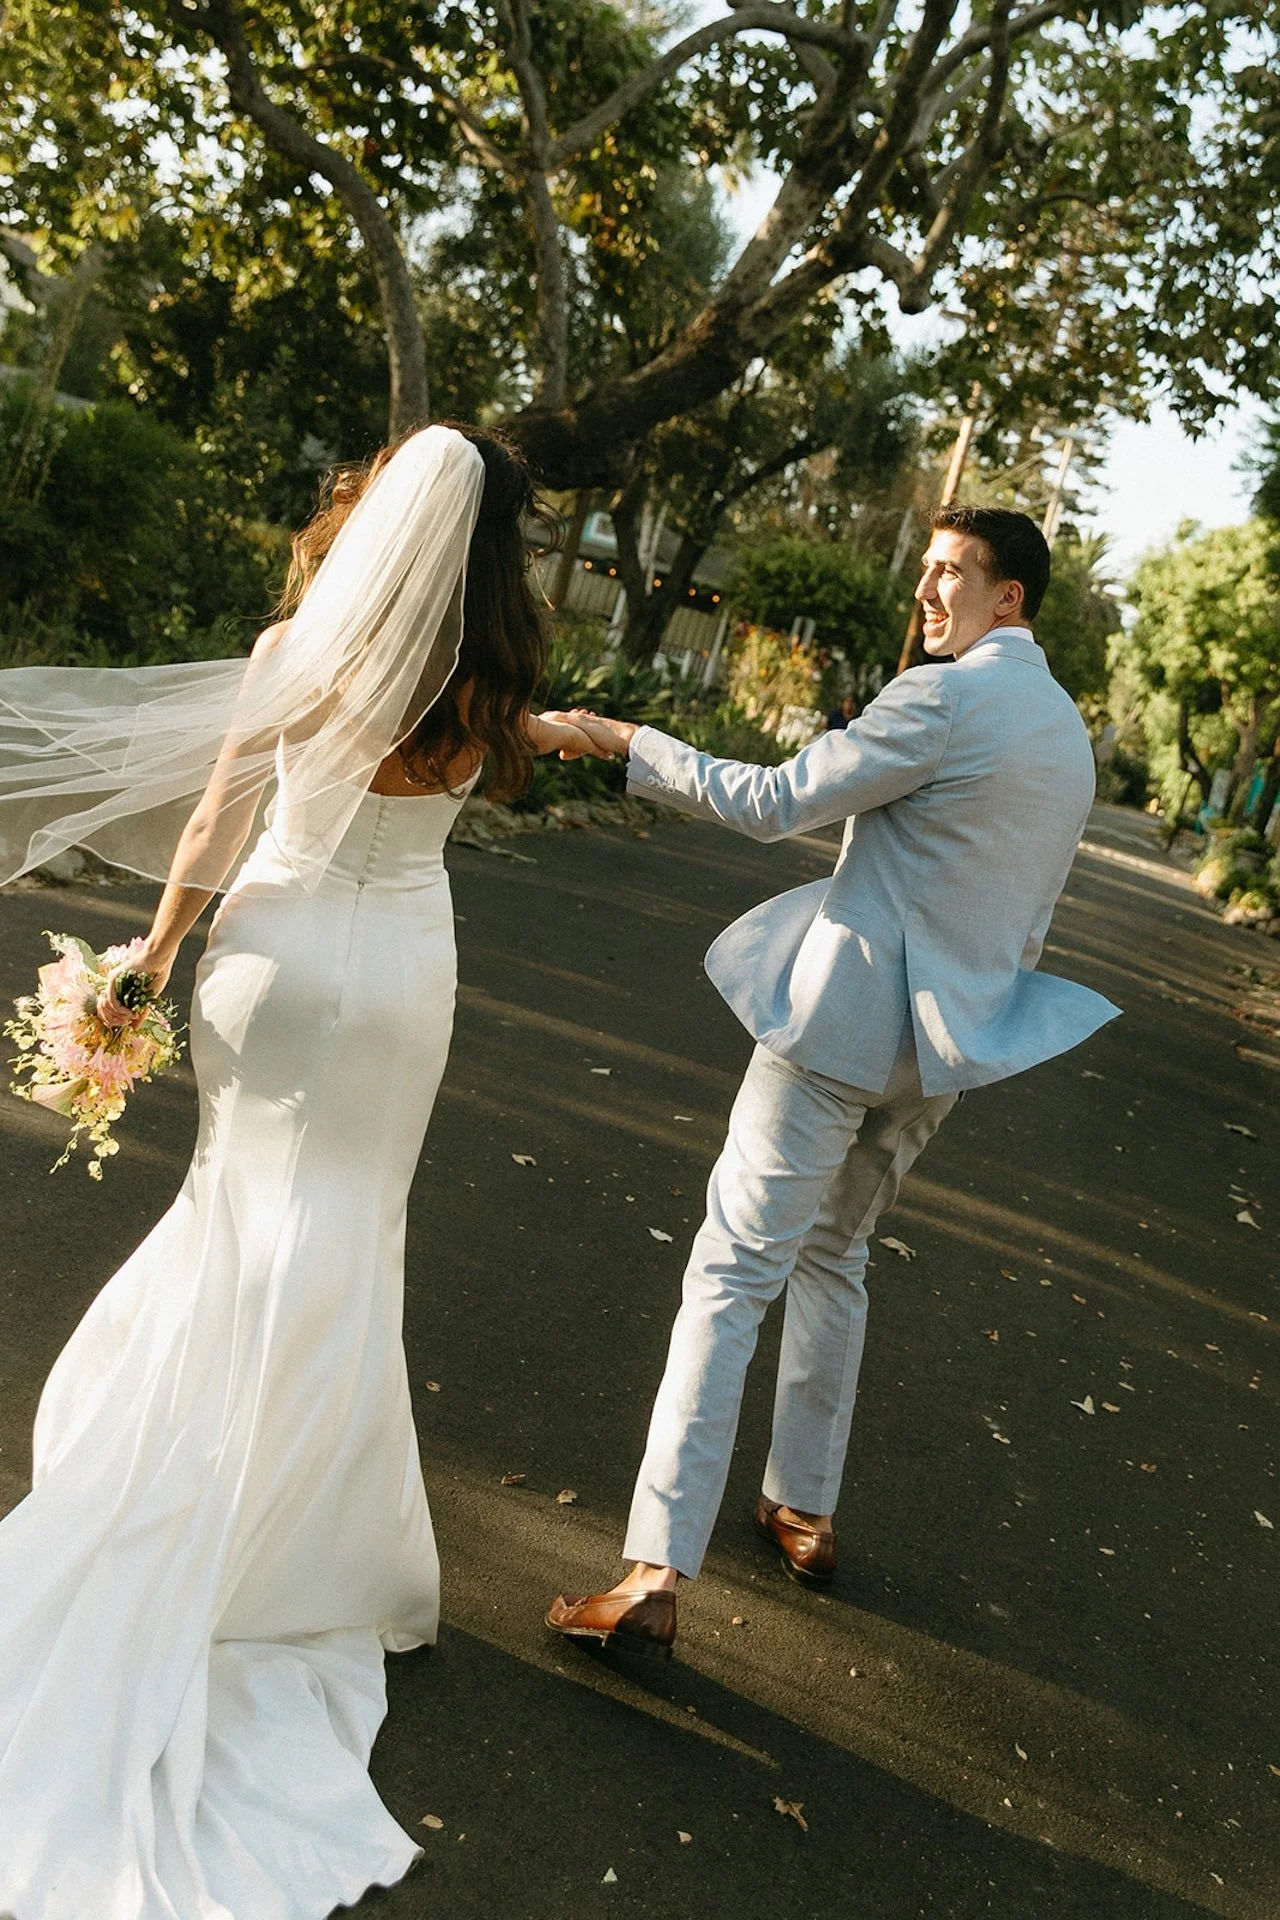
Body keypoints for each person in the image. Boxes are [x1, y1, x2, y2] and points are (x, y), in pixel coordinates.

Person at [0, 423, 592, 1917]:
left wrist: (148, 955)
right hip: (404, 974)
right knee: (348, 1239)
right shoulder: (492, 676)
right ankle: (307, 1548)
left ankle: (181, 1478)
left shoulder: (301, 646)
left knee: (237, 1218)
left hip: (273, 960)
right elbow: (518, 766)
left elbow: (217, 820)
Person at [543, 505, 1120, 1657]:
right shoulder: (1066, 739)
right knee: (836, 1257)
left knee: (730, 1272)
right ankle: (800, 1504)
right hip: (943, 1052)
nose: (927, 588)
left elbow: (768, 804)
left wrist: (621, 742)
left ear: (1010, 599)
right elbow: (1031, 920)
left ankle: (653, 1570)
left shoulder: (941, 698)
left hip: (833, 1035)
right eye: (925, 568)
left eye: (950, 572)